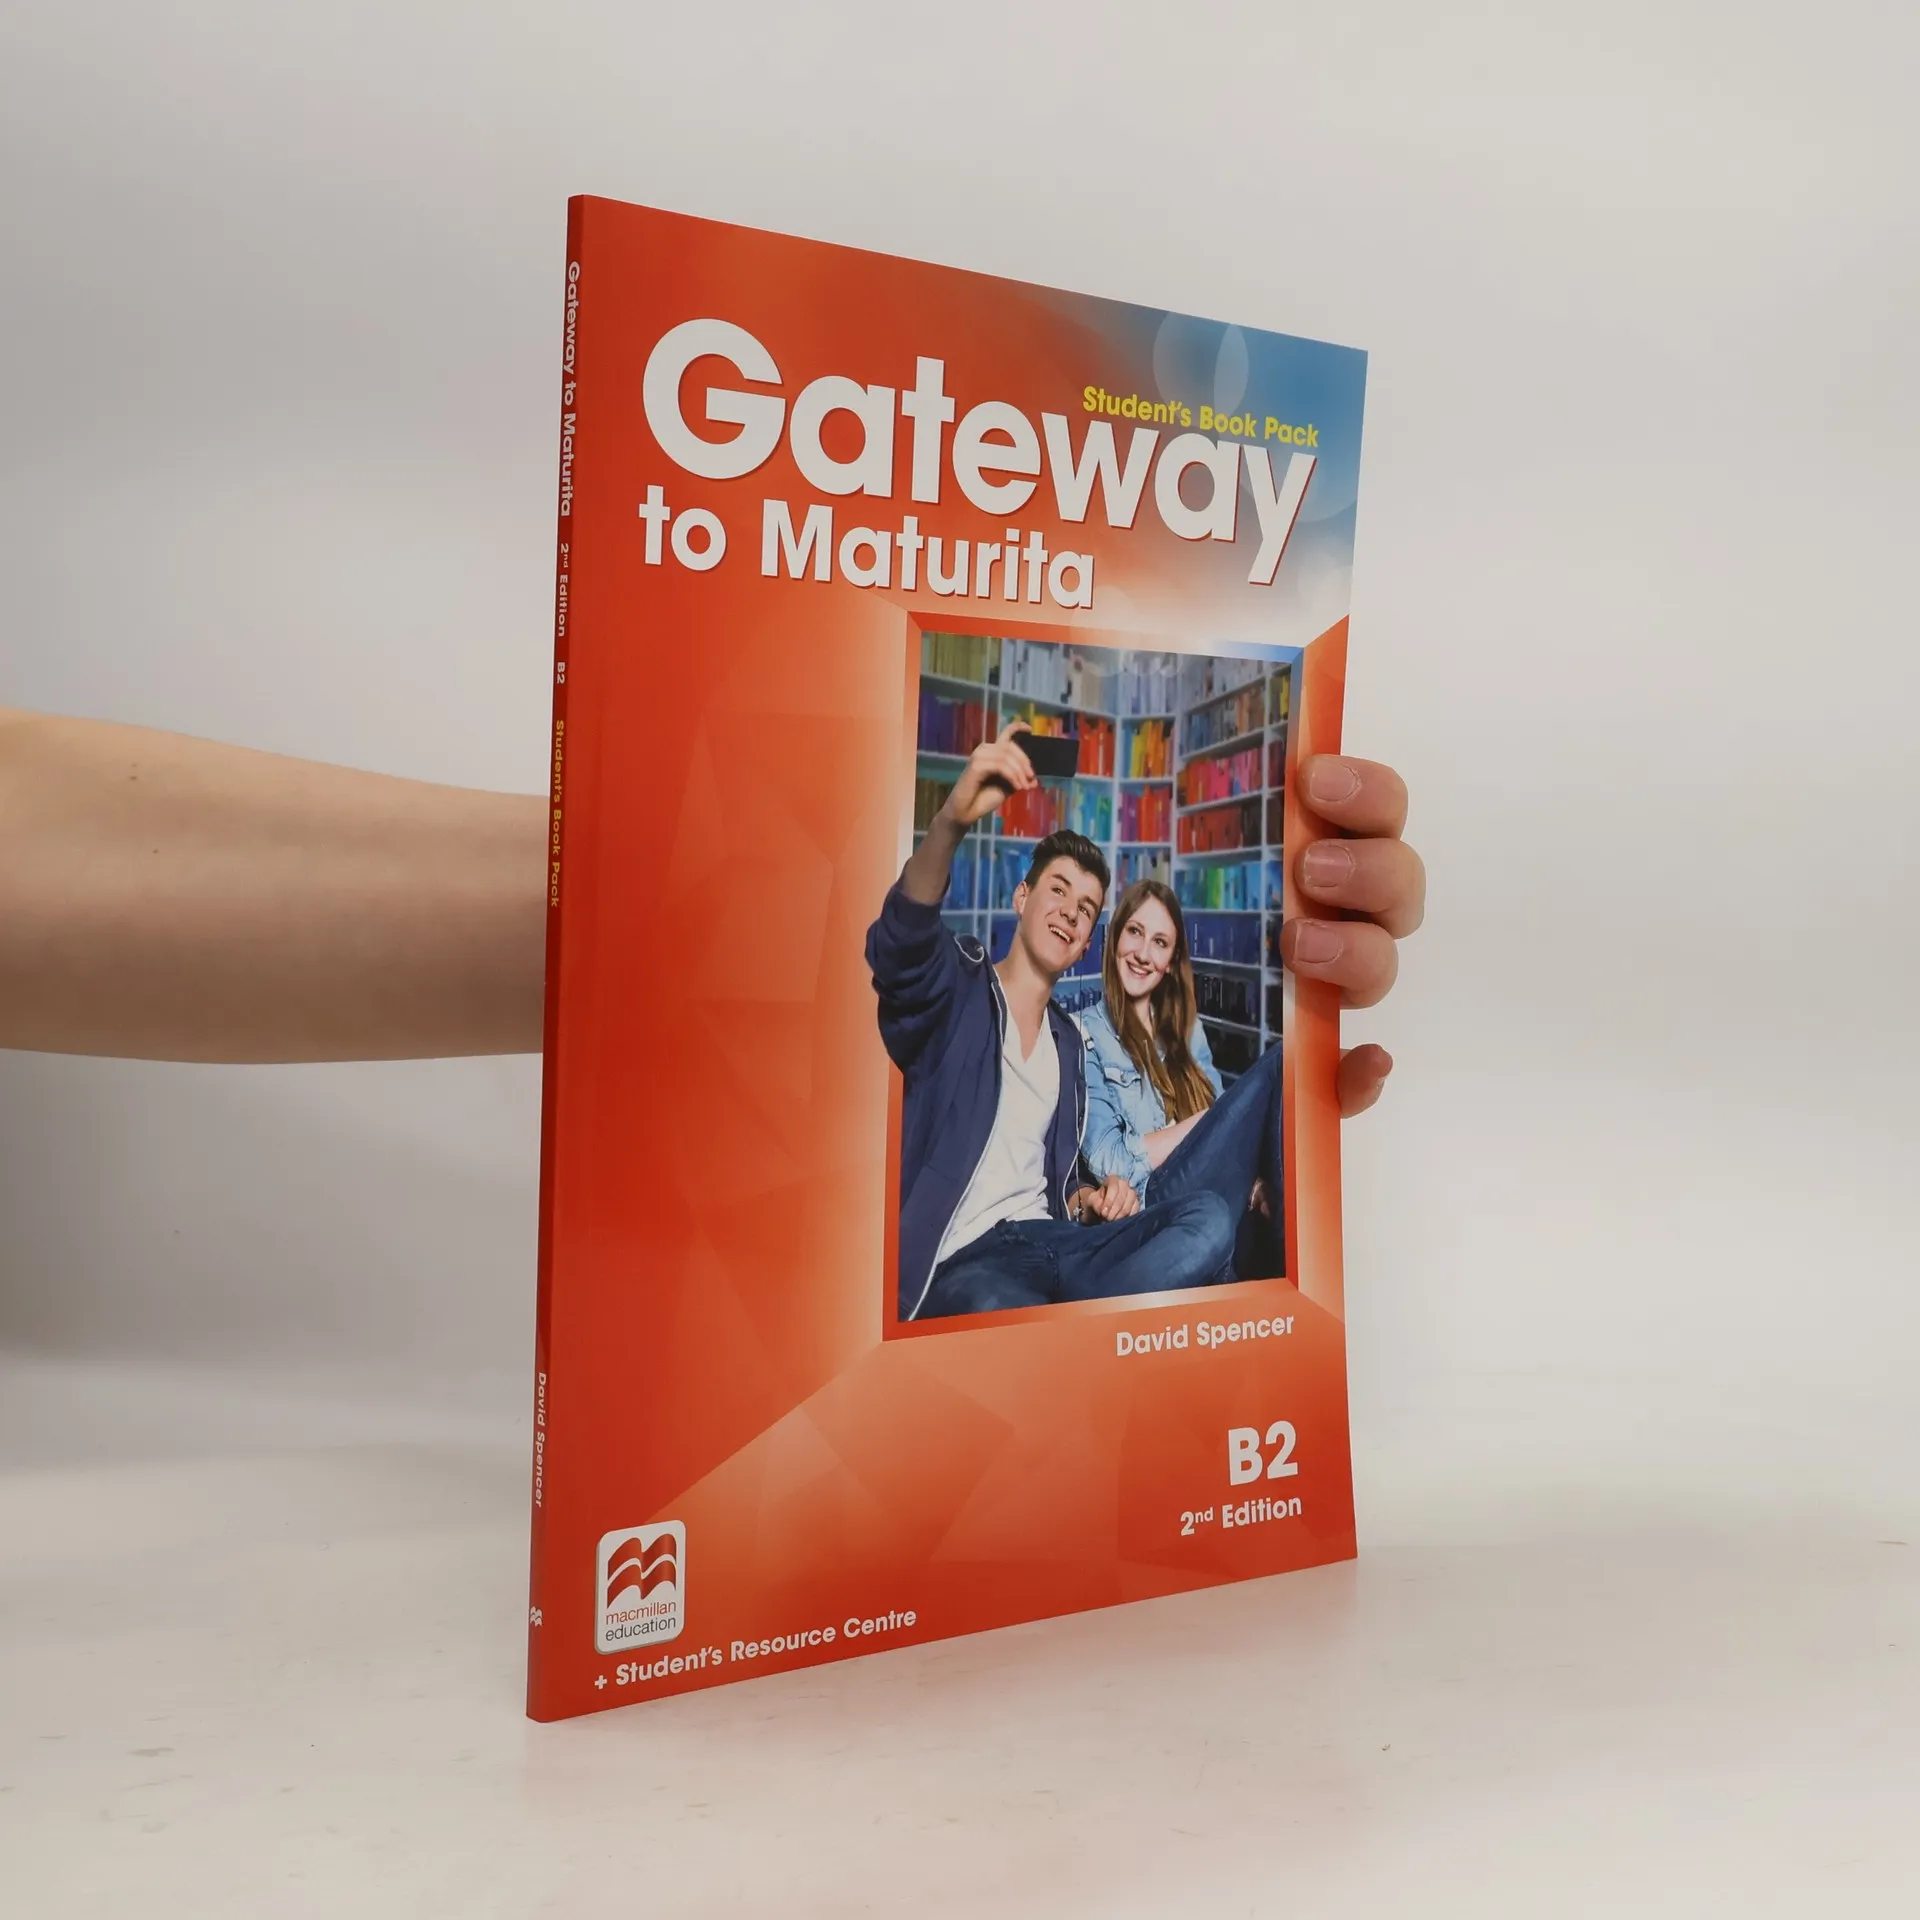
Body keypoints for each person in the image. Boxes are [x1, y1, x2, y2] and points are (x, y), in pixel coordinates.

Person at [0, 705, 1423, 1093]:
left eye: (1109, 919)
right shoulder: (951, 998)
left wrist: (1261, 1123)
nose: (1085, 922)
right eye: (1064, 892)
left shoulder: (1124, 1043)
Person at [866, 725, 1240, 1319]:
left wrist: (1092, 1199)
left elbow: (1057, 1185)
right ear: (1022, 898)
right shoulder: (960, 990)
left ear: (1088, 941)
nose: (1069, 912)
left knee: (1209, 1218)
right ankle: (1082, 1326)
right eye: (1058, 891)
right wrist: (951, 823)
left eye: (1085, 909)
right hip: (963, 1258)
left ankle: (1081, 1321)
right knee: (1011, 1308)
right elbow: (900, 945)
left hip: (1053, 1242)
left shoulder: (1069, 1042)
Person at [1081, 877, 1285, 1279]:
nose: (1143, 953)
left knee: (1274, 1213)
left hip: (1217, 1195)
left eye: (1159, 942)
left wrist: (1253, 1182)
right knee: (1281, 1061)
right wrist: (1211, 1123)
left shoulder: (1188, 1030)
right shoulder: (1083, 1033)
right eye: (1135, 932)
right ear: (1114, 938)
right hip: (1155, 1201)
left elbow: (1229, 1139)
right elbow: (1111, 1160)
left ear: (1172, 961)